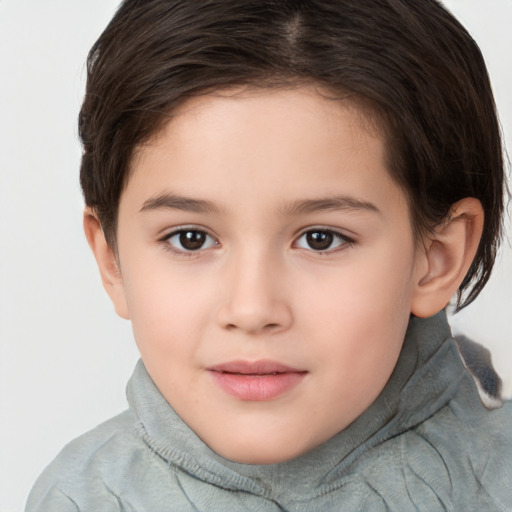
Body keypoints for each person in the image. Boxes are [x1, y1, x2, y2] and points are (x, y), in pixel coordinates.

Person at [25, 0, 511, 510]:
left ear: (436, 257)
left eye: (321, 238)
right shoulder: (77, 499)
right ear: (112, 260)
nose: (252, 309)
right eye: (190, 238)